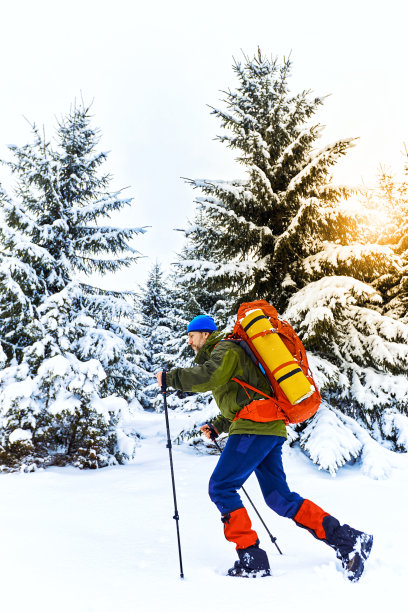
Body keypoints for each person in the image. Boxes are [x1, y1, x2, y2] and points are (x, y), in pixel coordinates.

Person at [156, 314, 373, 581]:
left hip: (254, 428)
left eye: (191, 335)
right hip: (266, 427)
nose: (189, 341)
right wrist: (219, 425)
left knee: (221, 487)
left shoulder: (226, 348)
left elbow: (209, 377)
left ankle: (252, 558)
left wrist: (171, 378)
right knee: (278, 498)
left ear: (205, 334)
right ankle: (349, 539)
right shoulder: (227, 352)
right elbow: (247, 396)